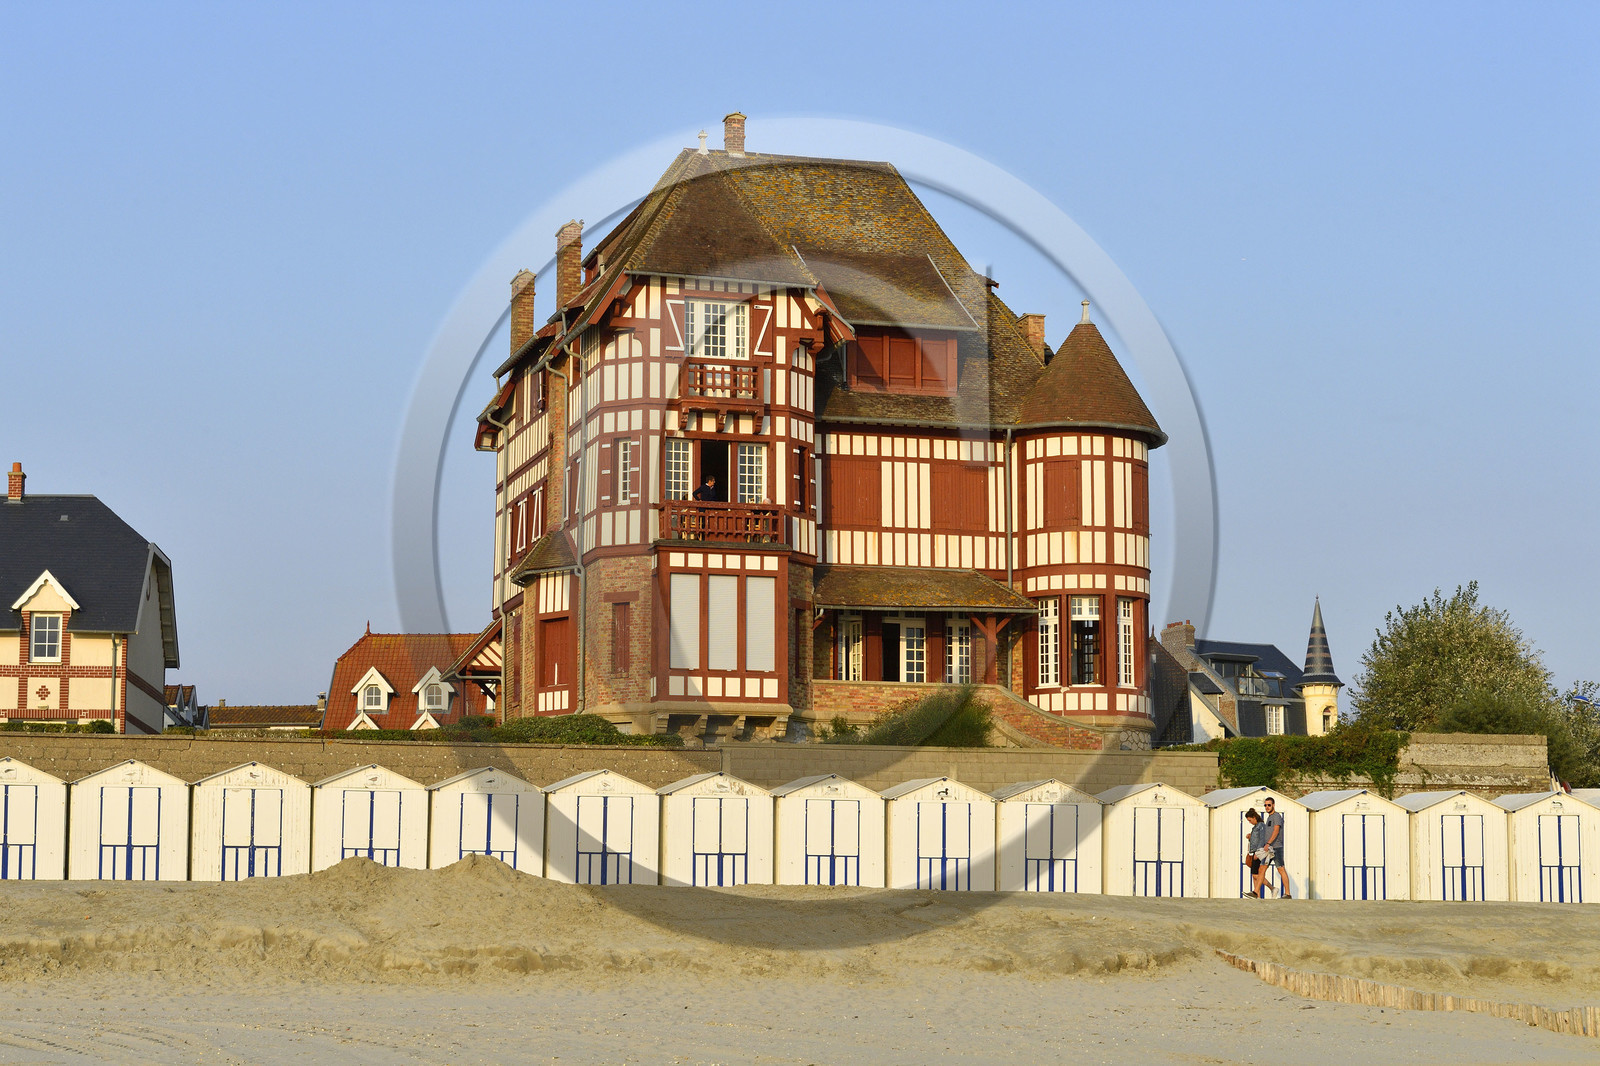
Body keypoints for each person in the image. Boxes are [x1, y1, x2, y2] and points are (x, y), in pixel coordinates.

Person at [1262, 796, 1290, 899]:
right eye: (1265, 805)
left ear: (1273, 805)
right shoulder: (1269, 818)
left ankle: (1287, 893)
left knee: (1281, 869)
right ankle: (1257, 892)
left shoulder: (1276, 816)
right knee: (1261, 869)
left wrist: (1268, 843)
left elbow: (1276, 830)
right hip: (1268, 848)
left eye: (1269, 805)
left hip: (1276, 847)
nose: (1267, 807)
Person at [1243, 809, 1269, 899]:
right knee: (1254, 875)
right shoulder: (1255, 827)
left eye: (1250, 820)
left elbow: (1262, 839)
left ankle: (1272, 888)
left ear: (1254, 818)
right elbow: (1256, 839)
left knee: (1256, 875)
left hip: (1258, 852)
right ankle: (1256, 895)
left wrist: (1257, 853)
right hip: (1254, 851)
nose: (1249, 822)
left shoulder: (1261, 825)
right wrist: (1250, 837)